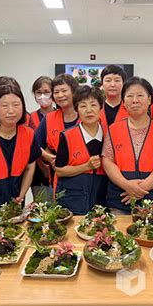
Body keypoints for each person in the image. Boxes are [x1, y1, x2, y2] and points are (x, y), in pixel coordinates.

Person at [102, 77, 153, 214]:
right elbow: (107, 162)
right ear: (123, 102)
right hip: (120, 198)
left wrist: (139, 189)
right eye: (129, 96)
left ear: (149, 100)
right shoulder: (113, 129)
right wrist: (126, 185)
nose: (135, 100)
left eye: (140, 95)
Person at [55, 86, 107, 214]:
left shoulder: (109, 135)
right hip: (72, 199)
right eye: (83, 106)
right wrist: (86, 166)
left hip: (102, 198)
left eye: (93, 105)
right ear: (77, 109)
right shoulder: (67, 136)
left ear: (101, 107)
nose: (88, 110)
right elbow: (59, 170)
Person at [35, 74, 80, 193]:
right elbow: (34, 145)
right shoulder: (49, 119)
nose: (60, 95)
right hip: (58, 177)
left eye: (64, 91)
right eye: (56, 92)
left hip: (85, 175)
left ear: (74, 92)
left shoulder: (85, 115)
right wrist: (49, 157)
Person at [28, 76, 54, 202]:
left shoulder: (61, 115)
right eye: (39, 92)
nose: (42, 96)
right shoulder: (29, 118)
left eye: (46, 92)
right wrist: (43, 166)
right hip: (38, 174)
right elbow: (30, 145)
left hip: (59, 171)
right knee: (42, 210)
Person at [99, 65, 128, 133]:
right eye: (108, 80)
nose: (112, 84)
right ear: (102, 84)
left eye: (117, 80)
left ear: (123, 83)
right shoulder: (96, 108)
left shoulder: (130, 108)